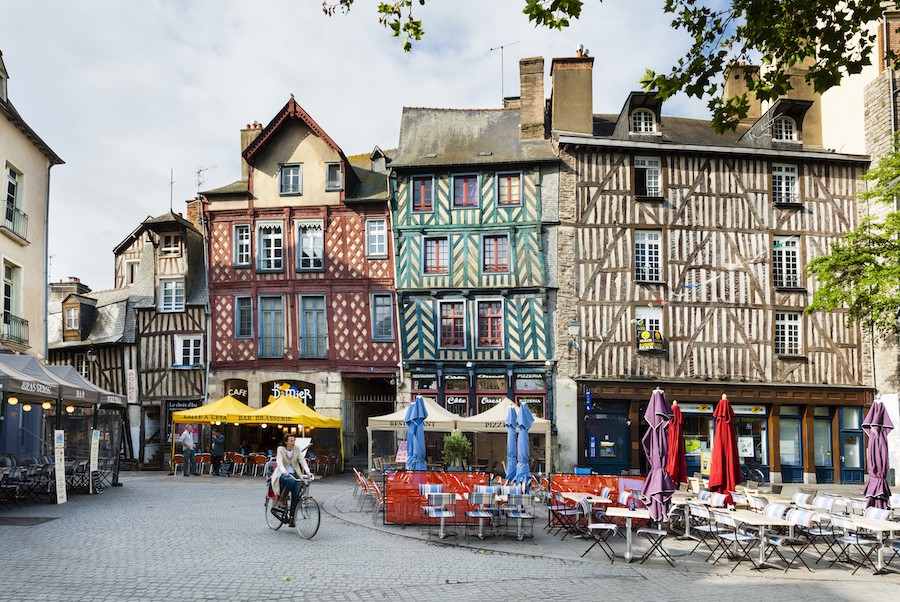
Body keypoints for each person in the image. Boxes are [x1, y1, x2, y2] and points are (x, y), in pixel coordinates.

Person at [269, 434, 313, 526]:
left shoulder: (296, 449)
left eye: (294, 441)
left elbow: (302, 461)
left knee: (296, 495)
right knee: (290, 481)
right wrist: (284, 471)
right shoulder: (281, 449)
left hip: (294, 474)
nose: (293, 443)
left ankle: (292, 518)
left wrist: (308, 472)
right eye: (291, 441)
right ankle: (281, 501)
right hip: (282, 474)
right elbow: (279, 462)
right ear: (286, 442)